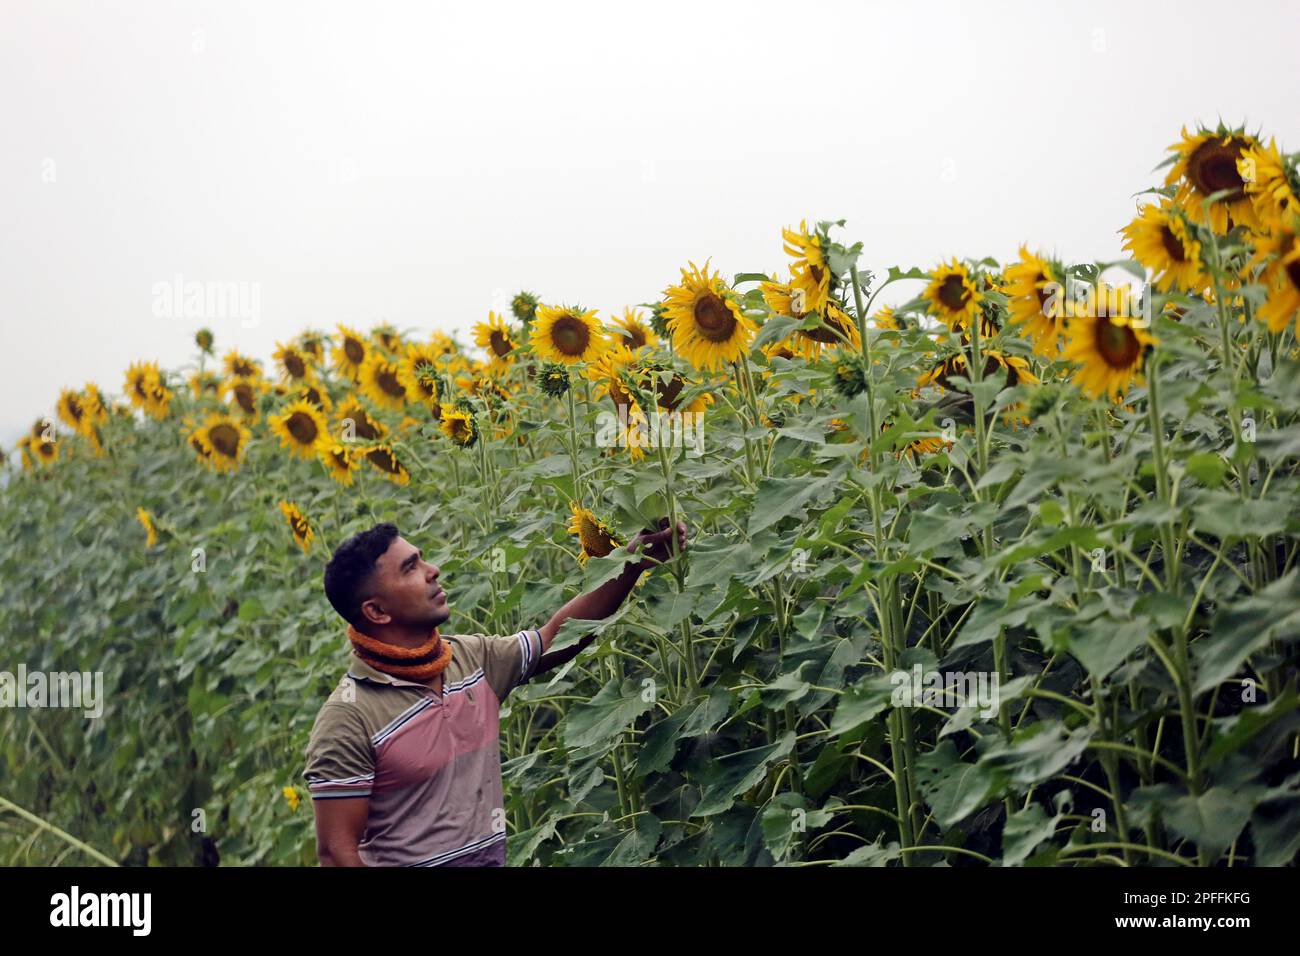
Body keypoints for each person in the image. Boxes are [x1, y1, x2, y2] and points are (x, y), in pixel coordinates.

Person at [303, 517, 687, 866]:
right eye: (410, 568)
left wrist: (632, 563)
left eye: (420, 559)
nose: (432, 571)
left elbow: (555, 638)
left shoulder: (470, 659)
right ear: (376, 612)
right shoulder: (348, 717)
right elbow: (337, 853)